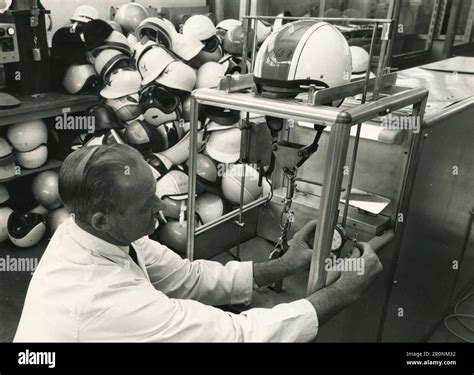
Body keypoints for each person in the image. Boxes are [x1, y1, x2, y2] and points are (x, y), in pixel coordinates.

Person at [14, 144, 382, 342]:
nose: (162, 208)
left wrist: (286, 264)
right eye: (147, 204)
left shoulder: (92, 233)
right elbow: (239, 337)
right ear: (102, 219)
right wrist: (342, 294)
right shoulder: (104, 301)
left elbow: (188, 277)